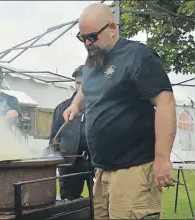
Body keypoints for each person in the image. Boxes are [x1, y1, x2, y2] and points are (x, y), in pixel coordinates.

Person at [63, 3, 177, 219]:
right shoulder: (94, 60)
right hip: (102, 171)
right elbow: (85, 88)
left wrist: (162, 158)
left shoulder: (138, 56)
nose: (87, 43)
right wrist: (75, 104)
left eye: (92, 36)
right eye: (82, 37)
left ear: (112, 27)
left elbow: (166, 102)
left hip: (134, 171)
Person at [49, 65, 94, 201]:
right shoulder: (63, 107)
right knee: (69, 205)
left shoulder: (99, 106)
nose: (81, 87)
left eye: (84, 83)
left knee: (101, 203)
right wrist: (58, 159)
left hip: (95, 163)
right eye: (78, 83)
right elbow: (53, 139)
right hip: (70, 165)